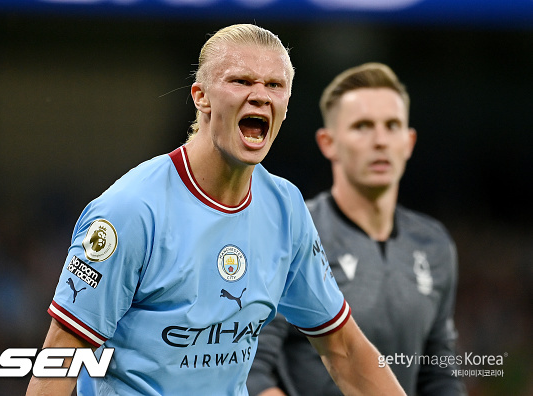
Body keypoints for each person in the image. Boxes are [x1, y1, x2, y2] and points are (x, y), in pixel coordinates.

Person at [26, 26, 405, 396]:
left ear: (286, 105)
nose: (260, 96)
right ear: (201, 96)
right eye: (241, 81)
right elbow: (58, 362)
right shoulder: (131, 211)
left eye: (274, 85)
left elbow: (344, 349)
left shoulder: (286, 208)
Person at [247, 63, 467, 396]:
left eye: (392, 126)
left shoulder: (434, 244)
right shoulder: (290, 231)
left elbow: (438, 375)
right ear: (328, 142)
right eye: (362, 126)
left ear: (408, 142)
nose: (380, 141)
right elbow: (252, 370)